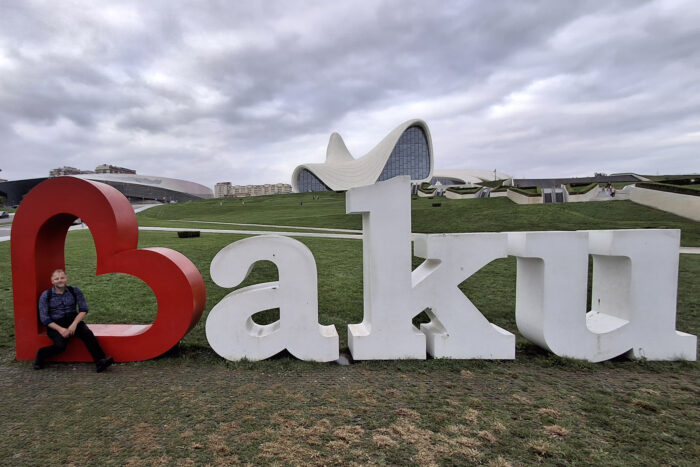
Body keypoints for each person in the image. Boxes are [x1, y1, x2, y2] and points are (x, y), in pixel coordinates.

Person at [34, 269, 114, 372]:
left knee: (88, 334)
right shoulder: (46, 295)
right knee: (60, 346)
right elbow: (44, 318)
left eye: (62, 278)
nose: (60, 280)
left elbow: (84, 309)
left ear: (66, 279)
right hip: (55, 323)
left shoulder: (74, 291)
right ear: (52, 281)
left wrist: (74, 324)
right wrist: (61, 330)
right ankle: (41, 354)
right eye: (56, 279)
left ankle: (100, 362)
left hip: (73, 319)